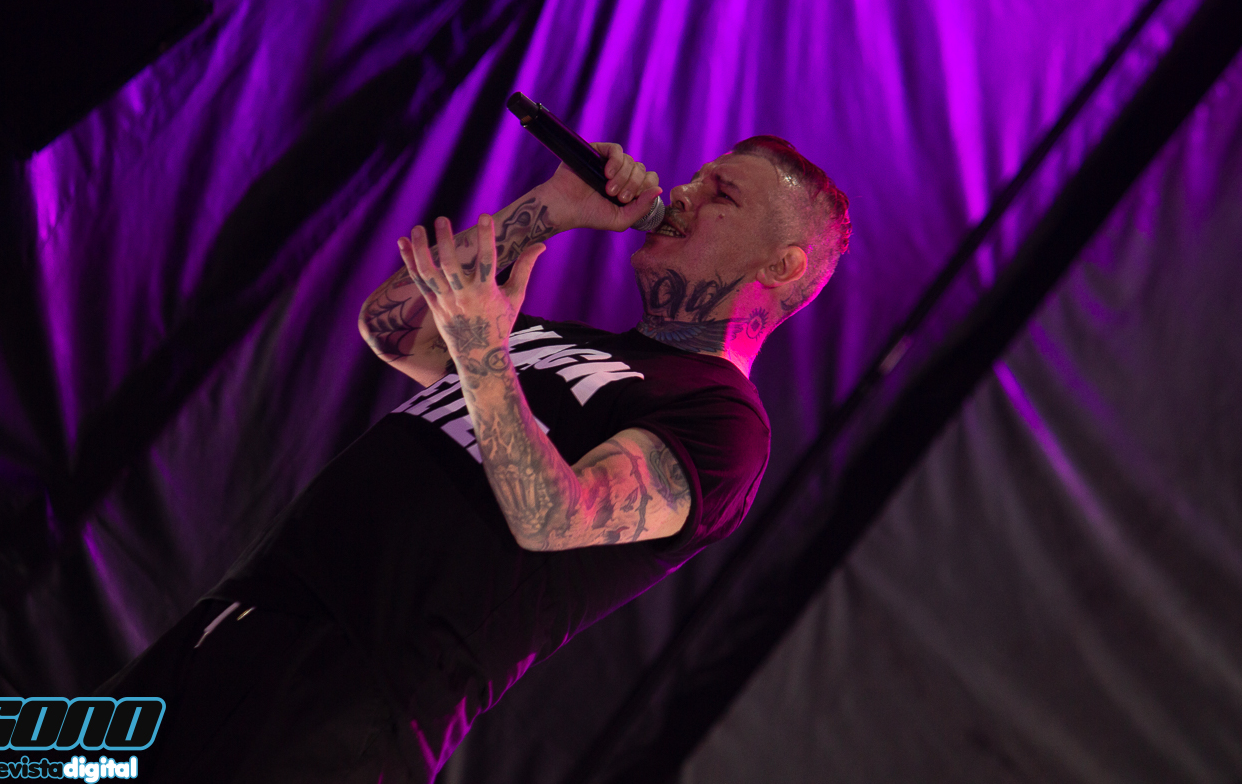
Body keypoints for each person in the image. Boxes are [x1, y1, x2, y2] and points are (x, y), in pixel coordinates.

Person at [97, 135, 850, 783]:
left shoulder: (725, 422)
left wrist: (482, 347)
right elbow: (392, 327)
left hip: (345, 701)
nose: (682, 193)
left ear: (782, 265)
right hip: (243, 617)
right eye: (696, 177)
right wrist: (554, 205)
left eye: (720, 194)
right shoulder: (570, 341)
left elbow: (553, 514)